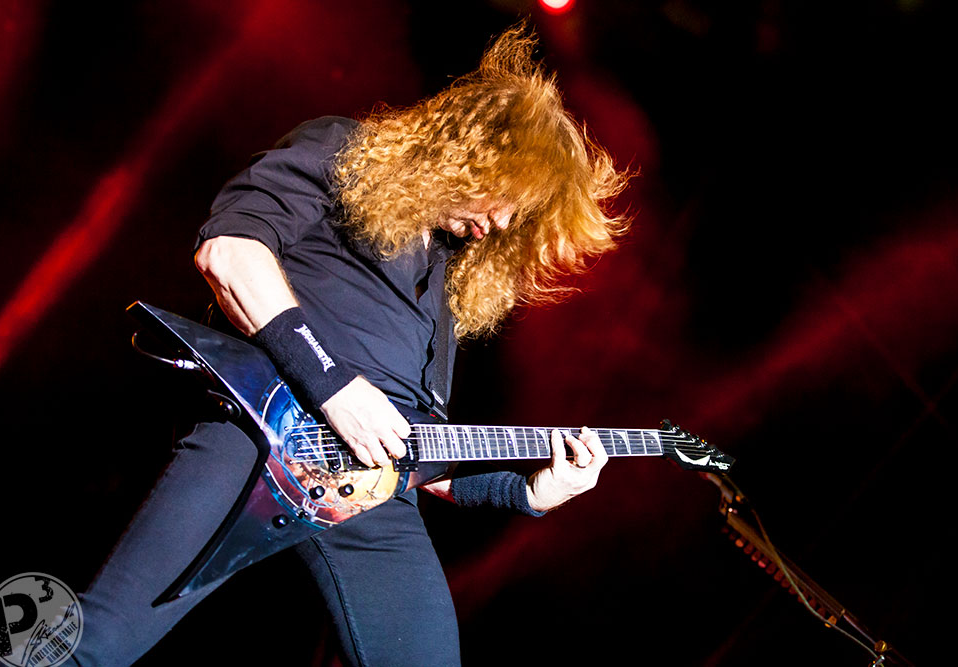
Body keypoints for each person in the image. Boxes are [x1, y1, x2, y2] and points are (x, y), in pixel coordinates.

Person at [66, 23, 628, 666]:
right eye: (507, 197)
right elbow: (230, 252)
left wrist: (526, 493)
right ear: (472, 150)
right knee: (96, 647)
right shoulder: (342, 150)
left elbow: (416, 453)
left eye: (519, 216)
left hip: (372, 498)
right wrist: (332, 386)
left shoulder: (444, 280)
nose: (501, 223)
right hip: (264, 435)